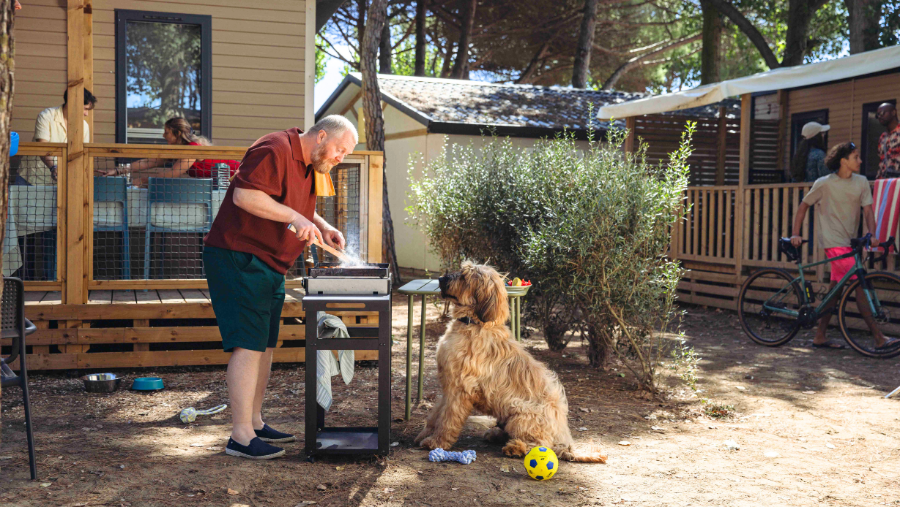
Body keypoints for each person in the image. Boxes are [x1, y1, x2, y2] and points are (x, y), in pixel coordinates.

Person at [203, 115, 357, 459]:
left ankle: (255, 422)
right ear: (320, 137)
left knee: (265, 345)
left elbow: (297, 207)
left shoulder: (310, 164)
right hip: (238, 256)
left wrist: (322, 224)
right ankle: (240, 436)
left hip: (270, 263)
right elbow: (245, 196)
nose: (340, 158)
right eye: (340, 150)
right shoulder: (274, 148)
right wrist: (295, 218)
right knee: (248, 345)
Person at [790, 141, 899, 351]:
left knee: (835, 291)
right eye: (856, 157)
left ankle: (820, 336)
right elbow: (804, 205)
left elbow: (868, 211)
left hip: (850, 243)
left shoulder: (860, 182)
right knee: (859, 284)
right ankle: (878, 338)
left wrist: (873, 234)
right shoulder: (824, 183)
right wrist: (795, 233)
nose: (860, 160)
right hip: (833, 243)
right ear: (843, 161)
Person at [99, 117, 239, 185]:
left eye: (167, 132)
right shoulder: (178, 151)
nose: (163, 135)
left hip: (238, 174)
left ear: (177, 134)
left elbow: (174, 173)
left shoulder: (192, 148)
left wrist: (142, 180)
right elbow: (148, 162)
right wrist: (117, 171)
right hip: (228, 181)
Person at [19, 88, 96, 185]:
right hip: (31, 178)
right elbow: (43, 147)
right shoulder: (46, 116)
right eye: (85, 108)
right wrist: (53, 168)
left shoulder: (84, 126)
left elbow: (81, 155)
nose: (86, 113)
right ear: (72, 103)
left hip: (59, 184)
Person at [875, 103, 900, 180]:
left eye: (882, 113)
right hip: (885, 184)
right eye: (877, 115)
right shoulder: (882, 137)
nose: (879, 117)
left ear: (893, 112)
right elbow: (882, 162)